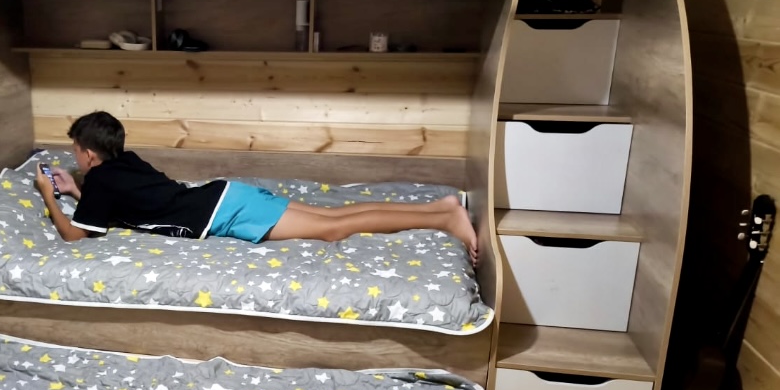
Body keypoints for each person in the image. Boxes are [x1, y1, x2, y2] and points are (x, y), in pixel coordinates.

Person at [35, 111, 477, 261]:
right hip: (227, 195)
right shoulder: (124, 164)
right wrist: (76, 192)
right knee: (334, 216)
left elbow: (74, 235)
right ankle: (439, 209)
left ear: (87, 154)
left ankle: (443, 220)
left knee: (333, 228)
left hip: (227, 212)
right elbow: (127, 204)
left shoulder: (102, 180)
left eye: (75, 151)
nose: (75, 159)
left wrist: (49, 196)